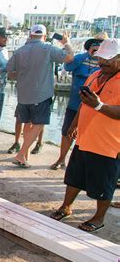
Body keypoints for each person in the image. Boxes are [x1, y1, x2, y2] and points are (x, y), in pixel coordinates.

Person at [50, 38, 119, 233]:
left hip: (108, 144)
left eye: (108, 59)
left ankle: (99, 218)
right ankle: (66, 206)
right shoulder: (94, 75)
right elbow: (84, 102)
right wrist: (74, 124)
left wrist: (99, 105)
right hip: (85, 139)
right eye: (100, 59)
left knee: (104, 184)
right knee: (74, 177)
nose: (102, 63)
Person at [6, 24, 74, 168]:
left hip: (23, 95)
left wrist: (25, 74)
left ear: (30, 35)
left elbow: (10, 71)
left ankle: (24, 156)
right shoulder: (47, 48)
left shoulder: (19, 50)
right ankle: (20, 154)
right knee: (38, 125)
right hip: (40, 94)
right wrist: (66, 42)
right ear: (44, 35)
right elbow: (69, 58)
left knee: (28, 124)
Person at [50, 35, 105, 170]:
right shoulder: (81, 58)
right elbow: (68, 67)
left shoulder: (104, 63)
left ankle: (80, 164)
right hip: (75, 104)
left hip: (94, 108)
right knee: (67, 132)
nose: (97, 47)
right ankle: (61, 159)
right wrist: (85, 55)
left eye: (100, 45)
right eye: (94, 45)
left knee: (87, 135)